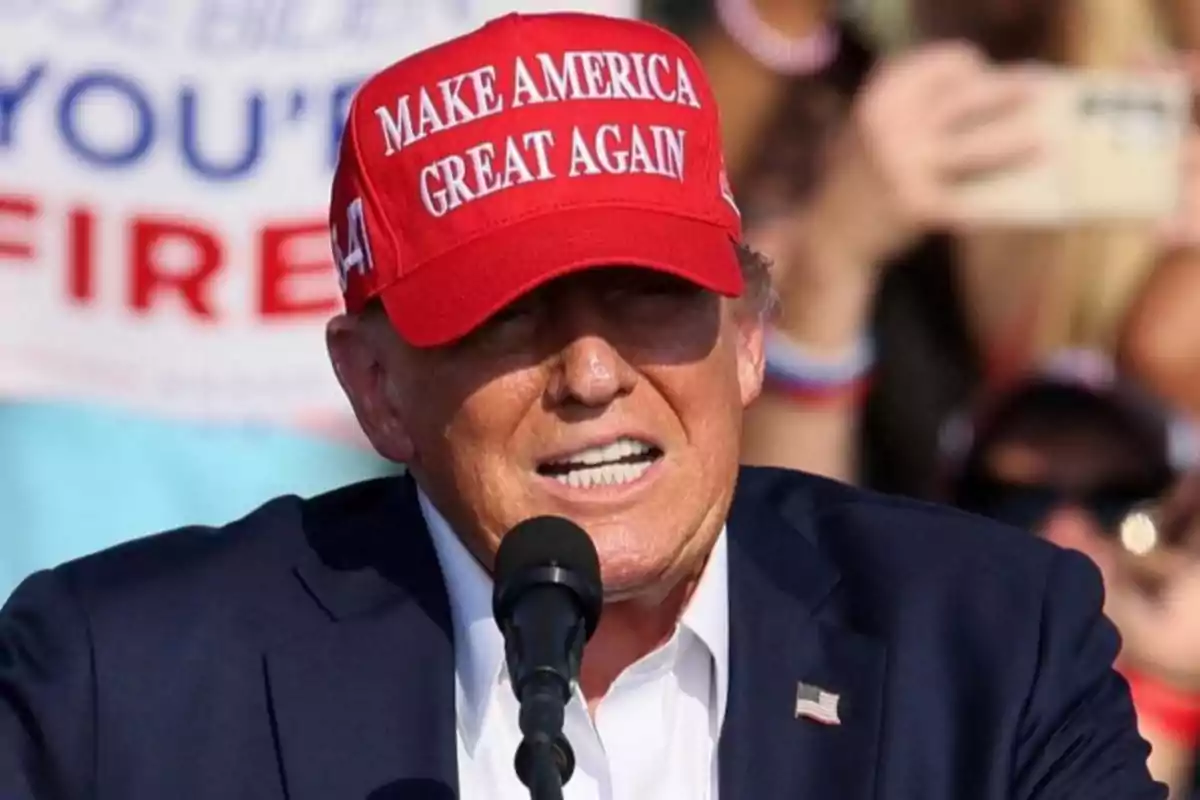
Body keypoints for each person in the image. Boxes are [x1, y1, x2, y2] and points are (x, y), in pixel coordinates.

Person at [0, 11, 1166, 800]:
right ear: (374, 386)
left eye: (648, 299)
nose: (593, 373)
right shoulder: (118, 679)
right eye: (508, 315)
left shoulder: (990, 639)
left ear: (750, 335)